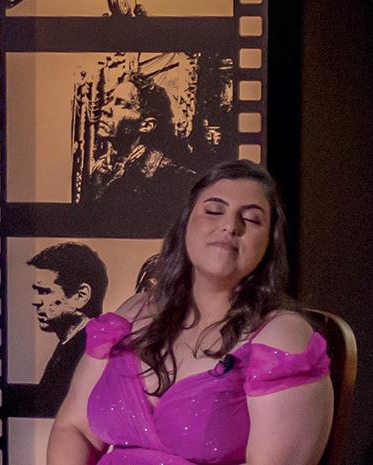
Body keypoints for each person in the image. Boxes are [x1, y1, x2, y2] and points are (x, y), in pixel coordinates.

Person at [49, 160, 334, 465]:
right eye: (214, 211)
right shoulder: (133, 312)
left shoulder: (282, 336)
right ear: (186, 224)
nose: (229, 226)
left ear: (270, 242)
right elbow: (74, 428)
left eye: (251, 219)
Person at [87, 72, 194, 218]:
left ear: (146, 125)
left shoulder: (175, 179)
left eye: (121, 104)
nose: (105, 108)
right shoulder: (100, 169)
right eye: (110, 100)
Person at [29, 242, 108, 416]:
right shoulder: (73, 344)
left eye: (44, 291)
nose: (36, 301)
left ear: (81, 295)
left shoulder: (87, 352)